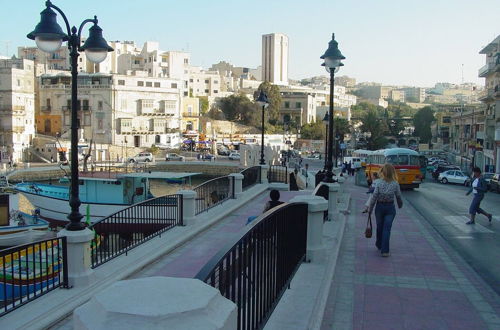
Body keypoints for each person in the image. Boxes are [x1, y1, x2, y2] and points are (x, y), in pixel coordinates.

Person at [368, 164, 403, 257]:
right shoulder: (395, 183)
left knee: (380, 227)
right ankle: (385, 251)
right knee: (387, 229)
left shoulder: (378, 182)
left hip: (379, 207)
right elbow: (398, 196)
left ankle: (379, 244)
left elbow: (374, 197)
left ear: (382, 171)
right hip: (390, 208)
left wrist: (370, 209)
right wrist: (400, 205)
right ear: (393, 172)